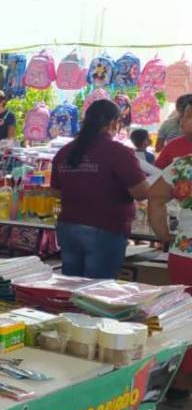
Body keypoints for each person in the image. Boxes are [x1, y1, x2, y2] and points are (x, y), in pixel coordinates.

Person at [51, 100, 148, 278]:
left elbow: (56, 191)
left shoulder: (64, 152)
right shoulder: (118, 152)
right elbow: (141, 192)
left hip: (69, 226)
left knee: (69, 286)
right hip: (105, 227)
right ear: (113, 123)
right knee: (95, 291)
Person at [156, 101, 192, 170]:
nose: (183, 119)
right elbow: (156, 173)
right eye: (183, 115)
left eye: (188, 116)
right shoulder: (172, 146)